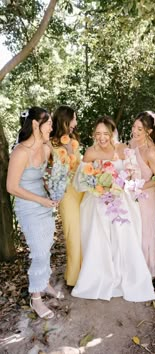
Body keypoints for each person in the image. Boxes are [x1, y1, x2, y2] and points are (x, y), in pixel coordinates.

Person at [71, 116, 155, 301]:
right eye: (98, 133)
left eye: (106, 134)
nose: (102, 138)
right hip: (98, 201)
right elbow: (80, 181)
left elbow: (134, 175)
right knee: (98, 238)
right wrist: (96, 185)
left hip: (120, 199)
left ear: (112, 133)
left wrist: (121, 182)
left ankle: (126, 276)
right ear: (94, 134)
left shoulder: (123, 149)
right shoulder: (90, 153)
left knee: (123, 237)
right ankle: (99, 277)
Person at [7, 107, 63, 320]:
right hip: (29, 207)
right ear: (35, 125)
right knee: (38, 252)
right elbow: (11, 187)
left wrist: (53, 189)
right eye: (48, 123)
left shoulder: (46, 148)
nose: (51, 126)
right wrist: (41, 200)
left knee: (46, 246)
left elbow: (45, 176)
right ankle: (36, 297)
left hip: (44, 202)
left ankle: (45, 283)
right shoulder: (20, 152)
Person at [51, 106, 84, 286]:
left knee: (84, 233)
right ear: (65, 120)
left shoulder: (72, 140)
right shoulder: (50, 144)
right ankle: (73, 278)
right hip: (65, 193)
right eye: (74, 119)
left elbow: (79, 166)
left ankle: (86, 273)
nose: (76, 123)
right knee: (72, 234)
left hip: (81, 191)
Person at [130, 111, 155, 277]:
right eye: (134, 126)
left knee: (144, 232)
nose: (135, 131)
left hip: (146, 196)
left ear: (148, 132)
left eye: (140, 129)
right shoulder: (132, 144)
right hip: (130, 193)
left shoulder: (151, 152)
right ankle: (133, 268)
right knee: (133, 230)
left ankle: (145, 272)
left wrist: (139, 186)